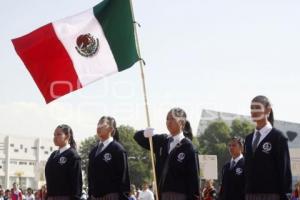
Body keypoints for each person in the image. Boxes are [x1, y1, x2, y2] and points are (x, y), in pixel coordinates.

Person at [134, 107, 200, 200]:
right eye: (167, 119)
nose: (168, 122)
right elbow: (137, 137)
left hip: (181, 196)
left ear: (182, 122)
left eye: (172, 119)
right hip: (162, 195)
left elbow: (194, 181)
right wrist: (145, 133)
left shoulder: (188, 147)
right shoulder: (161, 140)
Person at [244, 95, 292, 200]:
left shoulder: (278, 137)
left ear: (268, 109)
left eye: (257, 107)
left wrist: (286, 196)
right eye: (251, 108)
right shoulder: (248, 139)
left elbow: (285, 171)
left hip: (271, 195)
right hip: (249, 195)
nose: (253, 111)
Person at [88, 116, 130, 200]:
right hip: (95, 197)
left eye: (102, 125)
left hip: (112, 196)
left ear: (111, 129)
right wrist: (90, 194)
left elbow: (123, 177)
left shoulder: (118, 149)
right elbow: (90, 176)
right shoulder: (93, 151)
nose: (98, 127)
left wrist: (121, 196)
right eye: (98, 125)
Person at [45, 124, 83, 200]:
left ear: (67, 136)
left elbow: (77, 184)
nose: (55, 137)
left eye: (58, 134)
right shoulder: (53, 155)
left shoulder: (72, 155)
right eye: (54, 135)